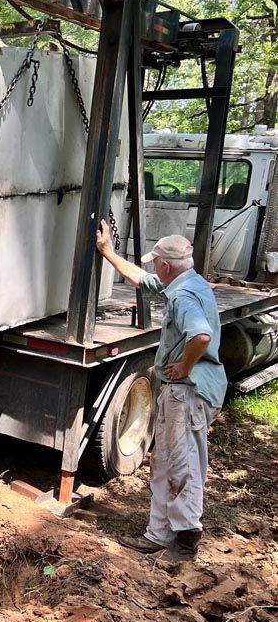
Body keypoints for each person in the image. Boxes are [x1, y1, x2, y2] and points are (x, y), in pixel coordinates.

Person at [96, 221, 226, 562]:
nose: (154, 266)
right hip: (188, 390)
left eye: (156, 262)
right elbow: (142, 278)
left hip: (188, 390)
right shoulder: (187, 282)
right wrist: (108, 252)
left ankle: (185, 541)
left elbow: (200, 336)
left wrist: (183, 367)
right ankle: (159, 534)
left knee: (182, 464)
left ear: (166, 266)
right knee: (166, 462)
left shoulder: (183, 297)